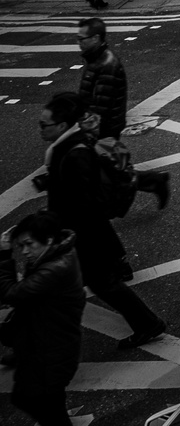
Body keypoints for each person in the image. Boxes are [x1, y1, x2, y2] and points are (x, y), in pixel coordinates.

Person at [35, 92, 165, 348]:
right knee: (90, 285)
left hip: (81, 236)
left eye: (44, 125)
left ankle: (148, 324)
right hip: (82, 233)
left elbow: (84, 202)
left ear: (62, 125)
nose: (40, 130)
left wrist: (54, 224)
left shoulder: (74, 153)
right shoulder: (68, 147)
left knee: (94, 285)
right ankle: (147, 323)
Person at [74, 17, 171, 207]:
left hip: (103, 130)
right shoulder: (96, 59)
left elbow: (101, 107)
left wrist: (89, 131)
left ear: (95, 38)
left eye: (81, 38)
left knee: (112, 173)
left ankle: (154, 182)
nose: (78, 42)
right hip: (99, 127)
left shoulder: (106, 65)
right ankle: (154, 181)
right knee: (110, 171)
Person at [0, 211, 84, 426]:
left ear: (47, 240)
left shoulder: (53, 269)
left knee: (28, 398)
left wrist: (3, 256)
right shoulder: (55, 253)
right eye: (21, 246)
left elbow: (12, 293)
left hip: (51, 350)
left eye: (29, 244)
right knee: (49, 400)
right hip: (49, 342)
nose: (25, 252)